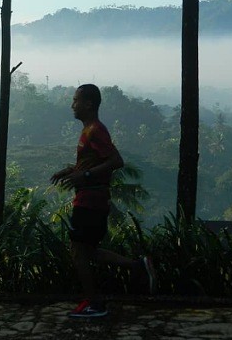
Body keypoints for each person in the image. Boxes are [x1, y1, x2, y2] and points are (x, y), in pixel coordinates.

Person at [50, 84, 156, 318]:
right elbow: (93, 161)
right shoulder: (89, 130)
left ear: (89, 104)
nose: (72, 105)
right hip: (89, 198)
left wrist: (84, 176)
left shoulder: (96, 130)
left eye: (76, 100)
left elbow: (116, 161)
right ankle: (137, 266)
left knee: (79, 252)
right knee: (87, 251)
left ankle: (95, 304)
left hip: (91, 201)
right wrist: (70, 170)